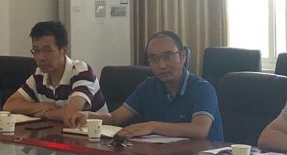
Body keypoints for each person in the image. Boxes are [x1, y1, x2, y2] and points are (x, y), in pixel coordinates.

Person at [71, 31, 223, 141]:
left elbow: (199, 130)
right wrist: (88, 116)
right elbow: (115, 118)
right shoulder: (149, 86)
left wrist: (153, 126)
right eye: (154, 59)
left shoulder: (202, 88)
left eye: (168, 56)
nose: (162, 65)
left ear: (182, 56)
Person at [2, 20, 100, 122]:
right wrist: (44, 106)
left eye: (47, 50)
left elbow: (71, 114)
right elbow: (9, 105)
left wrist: (45, 114)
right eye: (36, 50)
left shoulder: (82, 72)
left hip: (97, 132)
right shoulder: (39, 74)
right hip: (58, 130)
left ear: (64, 51)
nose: (41, 57)